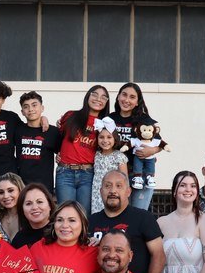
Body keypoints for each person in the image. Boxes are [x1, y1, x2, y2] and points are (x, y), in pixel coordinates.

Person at [87, 171, 165, 273]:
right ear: (100, 191)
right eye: (108, 186)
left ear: (128, 191)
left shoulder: (143, 218)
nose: (113, 191)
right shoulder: (90, 221)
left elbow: (159, 255)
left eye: (119, 186)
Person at [56, 85, 109, 214]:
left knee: (84, 215)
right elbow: (58, 137)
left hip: (88, 174)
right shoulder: (71, 115)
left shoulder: (105, 124)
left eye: (103, 97)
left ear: (106, 102)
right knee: (66, 213)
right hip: (65, 172)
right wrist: (58, 153)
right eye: (94, 95)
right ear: (88, 96)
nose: (98, 99)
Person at [108, 82, 161, 211]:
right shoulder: (110, 119)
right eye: (124, 95)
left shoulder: (144, 119)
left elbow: (159, 143)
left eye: (132, 97)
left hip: (140, 174)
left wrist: (152, 150)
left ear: (137, 102)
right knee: (117, 214)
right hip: (115, 174)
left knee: (138, 213)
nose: (127, 100)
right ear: (118, 97)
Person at [16, 91, 60, 190]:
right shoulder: (18, 130)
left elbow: (62, 152)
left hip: (44, 186)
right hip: (22, 186)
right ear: (22, 111)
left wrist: (60, 156)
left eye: (34, 105)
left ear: (42, 108)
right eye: (26, 107)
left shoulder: (53, 132)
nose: (30, 109)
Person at [90, 118, 127, 215]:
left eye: (109, 137)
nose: (105, 140)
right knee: (98, 216)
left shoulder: (119, 156)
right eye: (101, 137)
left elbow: (124, 179)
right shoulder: (96, 155)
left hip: (113, 193)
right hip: (97, 193)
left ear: (115, 138)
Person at [10, 183, 55, 248]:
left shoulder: (59, 232)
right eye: (28, 204)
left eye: (39, 202)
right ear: (22, 209)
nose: (34, 207)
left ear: (50, 205)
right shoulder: (19, 239)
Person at [0, 172, 24, 241]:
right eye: (1, 192)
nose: (5, 196)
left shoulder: (30, 216)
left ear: (20, 190)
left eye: (10, 190)